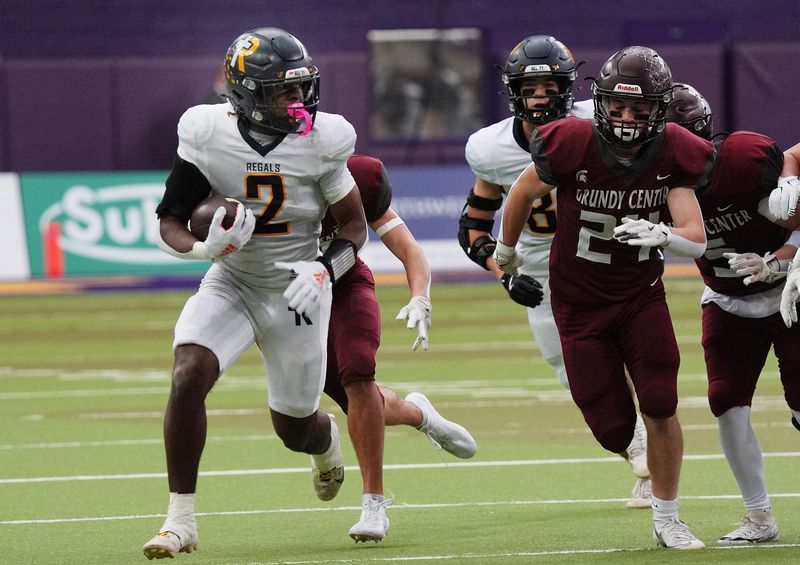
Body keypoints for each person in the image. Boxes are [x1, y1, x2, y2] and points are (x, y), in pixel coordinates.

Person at [142, 27, 368, 559]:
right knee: (188, 372)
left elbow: (354, 226)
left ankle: (325, 442)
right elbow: (171, 218)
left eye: (301, 88)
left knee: (295, 428)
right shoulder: (204, 131)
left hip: (298, 289)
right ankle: (180, 521)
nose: (297, 102)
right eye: (280, 92)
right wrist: (205, 251)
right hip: (234, 279)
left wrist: (324, 270)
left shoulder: (326, 138)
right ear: (244, 93)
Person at [493, 46, 713, 549]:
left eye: (639, 108)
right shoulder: (570, 140)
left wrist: (666, 238)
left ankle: (668, 515)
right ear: (600, 102)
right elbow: (523, 193)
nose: (626, 117)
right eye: (617, 106)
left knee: (660, 402)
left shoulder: (676, 148)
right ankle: (637, 465)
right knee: (613, 429)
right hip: (577, 303)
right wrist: (506, 251)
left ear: (660, 108)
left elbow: (695, 236)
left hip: (640, 296)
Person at [460, 35, 650, 508]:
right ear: (514, 91)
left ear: (568, 87)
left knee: (642, 361)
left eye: (550, 85)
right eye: (531, 86)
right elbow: (472, 226)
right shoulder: (492, 148)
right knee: (577, 375)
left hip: (610, 254)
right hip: (544, 272)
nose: (540, 95)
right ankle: (636, 449)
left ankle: (653, 461)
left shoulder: (602, 120)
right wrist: (503, 273)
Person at [667, 83, 800, 544]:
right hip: (726, 299)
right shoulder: (652, 182)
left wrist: (778, 261)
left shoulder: (743, 162)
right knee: (726, 403)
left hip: (791, 293)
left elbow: (798, 221)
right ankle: (759, 517)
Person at [322, 154, 477, 543]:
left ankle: (373, 504)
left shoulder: (351, 180)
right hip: (283, 298)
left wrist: (420, 297)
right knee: (319, 399)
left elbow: (409, 249)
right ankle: (418, 415)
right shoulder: (265, 176)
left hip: (343, 286)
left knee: (359, 373)